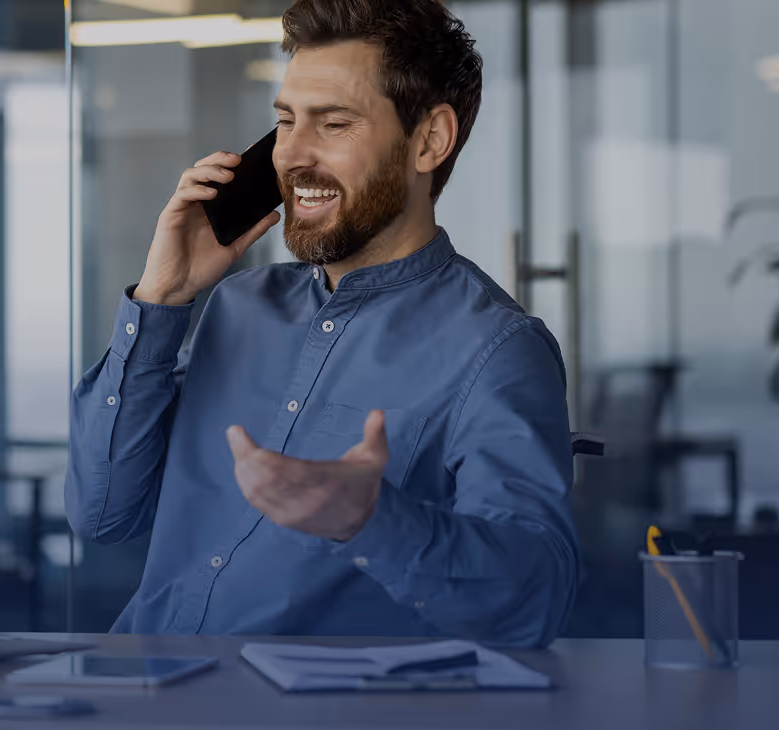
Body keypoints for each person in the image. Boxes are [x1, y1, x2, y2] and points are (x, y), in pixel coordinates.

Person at [65, 0, 579, 647]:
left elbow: (534, 605)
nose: (294, 155)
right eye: (285, 122)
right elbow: (102, 512)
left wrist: (370, 520)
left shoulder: (496, 348)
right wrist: (161, 298)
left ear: (429, 140)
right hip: (142, 684)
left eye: (333, 123)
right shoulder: (236, 305)